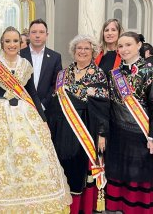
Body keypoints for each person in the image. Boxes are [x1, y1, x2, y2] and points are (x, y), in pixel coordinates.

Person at [0, 27, 71, 212]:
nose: (12, 45)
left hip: (26, 113)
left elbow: (33, 95)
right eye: (8, 41)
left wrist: (43, 120)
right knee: (5, 160)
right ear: (2, 44)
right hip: (0, 115)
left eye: (15, 41)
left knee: (33, 155)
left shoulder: (26, 65)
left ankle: (33, 199)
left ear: (20, 44)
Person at [105, 31, 153, 214]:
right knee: (119, 173)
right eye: (121, 46)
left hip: (141, 135)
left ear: (139, 45)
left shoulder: (150, 71)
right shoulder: (114, 73)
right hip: (117, 133)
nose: (124, 49)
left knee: (139, 175)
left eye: (128, 45)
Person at [47, 35, 109, 213]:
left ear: (93, 52)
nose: (82, 51)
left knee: (79, 169)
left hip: (86, 128)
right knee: (63, 166)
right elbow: (55, 103)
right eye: (78, 48)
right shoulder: (63, 74)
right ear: (73, 52)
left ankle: (80, 209)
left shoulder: (98, 74)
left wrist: (102, 134)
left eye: (86, 48)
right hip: (62, 129)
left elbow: (103, 106)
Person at [20, 18, 62, 116]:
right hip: (22, 109)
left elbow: (55, 85)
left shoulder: (55, 57)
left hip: (47, 110)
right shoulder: (19, 55)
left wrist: (42, 105)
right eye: (34, 32)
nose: (37, 35)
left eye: (41, 32)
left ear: (47, 35)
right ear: (29, 35)